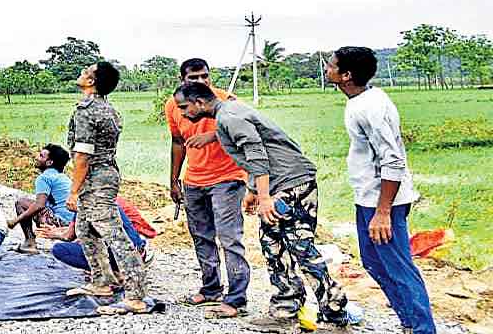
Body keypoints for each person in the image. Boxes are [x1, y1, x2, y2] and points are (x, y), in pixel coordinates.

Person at [178, 81, 350, 331]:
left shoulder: (230, 117)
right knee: (273, 245)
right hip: (277, 184)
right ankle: (285, 309)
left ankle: (335, 316)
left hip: (293, 185)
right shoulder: (228, 113)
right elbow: (254, 157)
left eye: (185, 107)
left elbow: (257, 154)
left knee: (300, 247)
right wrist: (253, 191)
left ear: (200, 103)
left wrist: (265, 197)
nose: (183, 113)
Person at [328, 47, 434, 334]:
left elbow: (393, 159)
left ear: (346, 75)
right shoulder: (359, 100)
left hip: (384, 202)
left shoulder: (370, 107)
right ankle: (410, 323)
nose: (327, 68)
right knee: (374, 261)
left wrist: (384, 211)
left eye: (332, 65)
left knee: (398, 266)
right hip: (368, 198)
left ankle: (423, 328)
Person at [65, 62, 149, 315]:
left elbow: (82, 156)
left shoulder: (87, 110)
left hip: (96, 177)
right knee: (85, 229)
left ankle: (135, 295)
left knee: (113, 234)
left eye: (86, 71)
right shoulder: (108, 109)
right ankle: (102, 281)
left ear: (91, 81)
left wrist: (74, 190)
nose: (81, 72)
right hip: (103, 174)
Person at [167, 58, 249, 318]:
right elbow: (177, 142)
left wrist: (213, 135)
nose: (201, 82)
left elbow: (246, 131)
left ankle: (236, 299)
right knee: (201, 236)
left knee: (229, 238)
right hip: (193, 180)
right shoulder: (174, 105)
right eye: (194, 78)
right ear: (183, 80)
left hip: (227, 178)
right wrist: (174, 180)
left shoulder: (228, 101)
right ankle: (211, 288)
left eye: (205, 76)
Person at [6, 143, 73, 254]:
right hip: (71, 224)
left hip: (60, 222)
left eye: (41, 156)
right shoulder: (63, 177)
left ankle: (29, 242)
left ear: (49, 162)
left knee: (21, 203)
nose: (37, 157)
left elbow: (39, 205)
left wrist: (15, 221)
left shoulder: (44, 177)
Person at [45, 202, 148, 272]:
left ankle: (105, 278)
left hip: (121, 257)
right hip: (139, 251)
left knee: (59, 249)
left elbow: (69, 236)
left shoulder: (84, 203)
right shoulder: (110, 201)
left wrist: (51, 234)